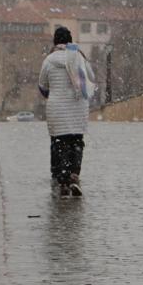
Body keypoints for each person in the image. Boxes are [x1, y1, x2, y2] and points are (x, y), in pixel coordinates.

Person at [38, 26, 93, 198]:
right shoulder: (79, 57)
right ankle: (74, 175)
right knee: (76, 141)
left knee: (59, 143)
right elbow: (89, 78)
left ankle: (62, 180)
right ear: (70, 41)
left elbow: (42, 84)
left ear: (55, 41)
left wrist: (51, 94)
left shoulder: (49, 60)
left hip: (57, 107)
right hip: (77, 107)